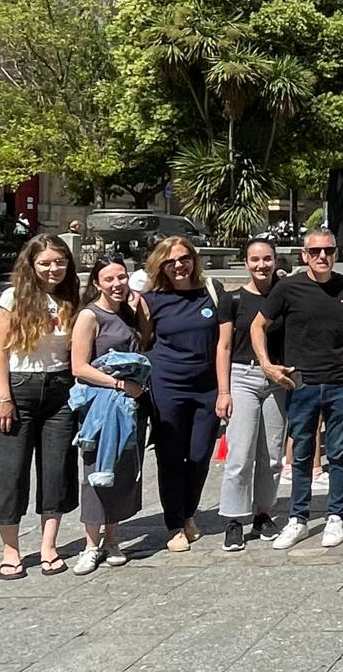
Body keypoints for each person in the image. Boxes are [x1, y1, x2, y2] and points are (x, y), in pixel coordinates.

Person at [255, 228, 343, 551]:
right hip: (302, 382)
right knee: (301, 453)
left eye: (328, 251)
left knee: (339, 452)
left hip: (341, 381)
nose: (322, 257)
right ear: (304, 255)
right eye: (315, 252)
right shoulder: (288, 288)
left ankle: (335, 516)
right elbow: (257, 325)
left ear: (336, 253)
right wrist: (267, 365)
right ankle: (297, 518)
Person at [0, 234, 80, 579]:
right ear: (31, 265)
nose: (53, 269)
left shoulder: (71, 297)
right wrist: (4, 397)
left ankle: (49, 546)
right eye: (45, 263)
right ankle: (11, 550)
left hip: (60, 389)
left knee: (57, 471)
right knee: (9, 473)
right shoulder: (12, 298)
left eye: (59, 261)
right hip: (19, 387)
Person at [137, 236, 226, 552]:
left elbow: (222, 343)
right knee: (171, 457)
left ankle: (190, 512)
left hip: (206, 387)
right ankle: (175, 523)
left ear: (193, 260)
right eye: (171, 261)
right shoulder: (151, 300)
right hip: (167, 387)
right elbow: (144, 342)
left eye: (184, 258)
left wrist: (223, 389)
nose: (178, 265)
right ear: (161, 265)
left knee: (200, 455)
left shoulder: (211, 293)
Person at [68, 257, 148, 574]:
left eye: (121, 277)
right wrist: (118, 384)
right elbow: (79, 366)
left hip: (128, 403)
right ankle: (90, 544)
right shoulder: (90, 315)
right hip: (100, 404)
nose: (117, 283)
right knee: (95, 471)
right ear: (97, 283)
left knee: (122, 470)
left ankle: (112, 538)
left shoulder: (128, 313)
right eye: (109, 279)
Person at [215, 239, 287, 551]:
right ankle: (234, 519)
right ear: (246, 262)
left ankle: (263, 513)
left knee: (271, 455)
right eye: (255, 259)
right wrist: (223, 391)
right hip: (243, 375)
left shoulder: (285, 294)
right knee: (240, 454)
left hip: (278, 379)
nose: (262, 265)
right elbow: (224, 346)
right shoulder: (233, 299)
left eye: (267, 259)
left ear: (275, 260)